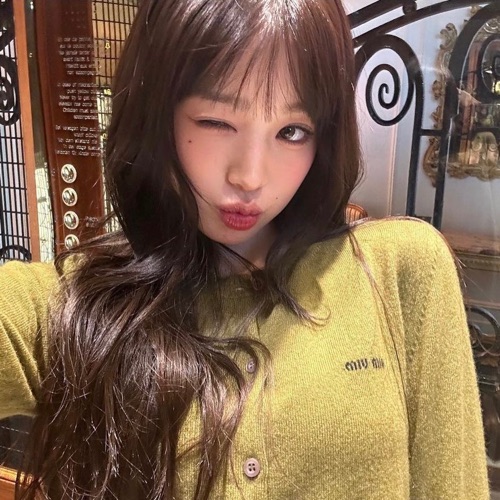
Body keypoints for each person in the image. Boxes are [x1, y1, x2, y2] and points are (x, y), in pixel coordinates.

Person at [0, 0, 489, 498]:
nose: (250, 177)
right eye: (216, 122)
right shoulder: (82, 304)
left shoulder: (397, 270)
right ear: (157, 116)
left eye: (292, 132)